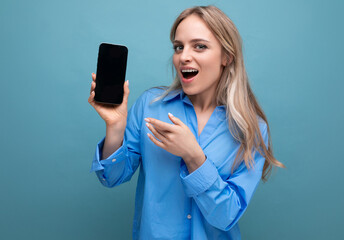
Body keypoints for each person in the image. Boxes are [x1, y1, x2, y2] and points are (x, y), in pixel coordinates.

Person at [88, 5, 284, 240]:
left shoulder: (251, 128)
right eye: (179, 47)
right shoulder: (151, 105)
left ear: (226, 56)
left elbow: (227, 215)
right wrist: (116, 127)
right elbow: (112, 177)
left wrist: (194, 157)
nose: (184, 56)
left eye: (199, 46)